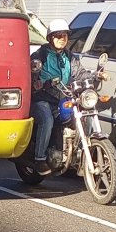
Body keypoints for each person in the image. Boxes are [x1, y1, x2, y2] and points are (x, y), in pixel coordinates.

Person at [29, 18, 80, 176]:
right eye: (58, 36)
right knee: (47, 120)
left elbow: (80, 73)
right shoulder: (40, 55)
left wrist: (96, 75)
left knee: (77, 115)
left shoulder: (70, 57)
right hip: (41, 99)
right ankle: (39, 159)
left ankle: (73, 152)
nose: (62, 39)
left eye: (64, 35)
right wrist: (38, 83)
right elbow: (31, 74)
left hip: (61, 98)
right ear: (50, 38)